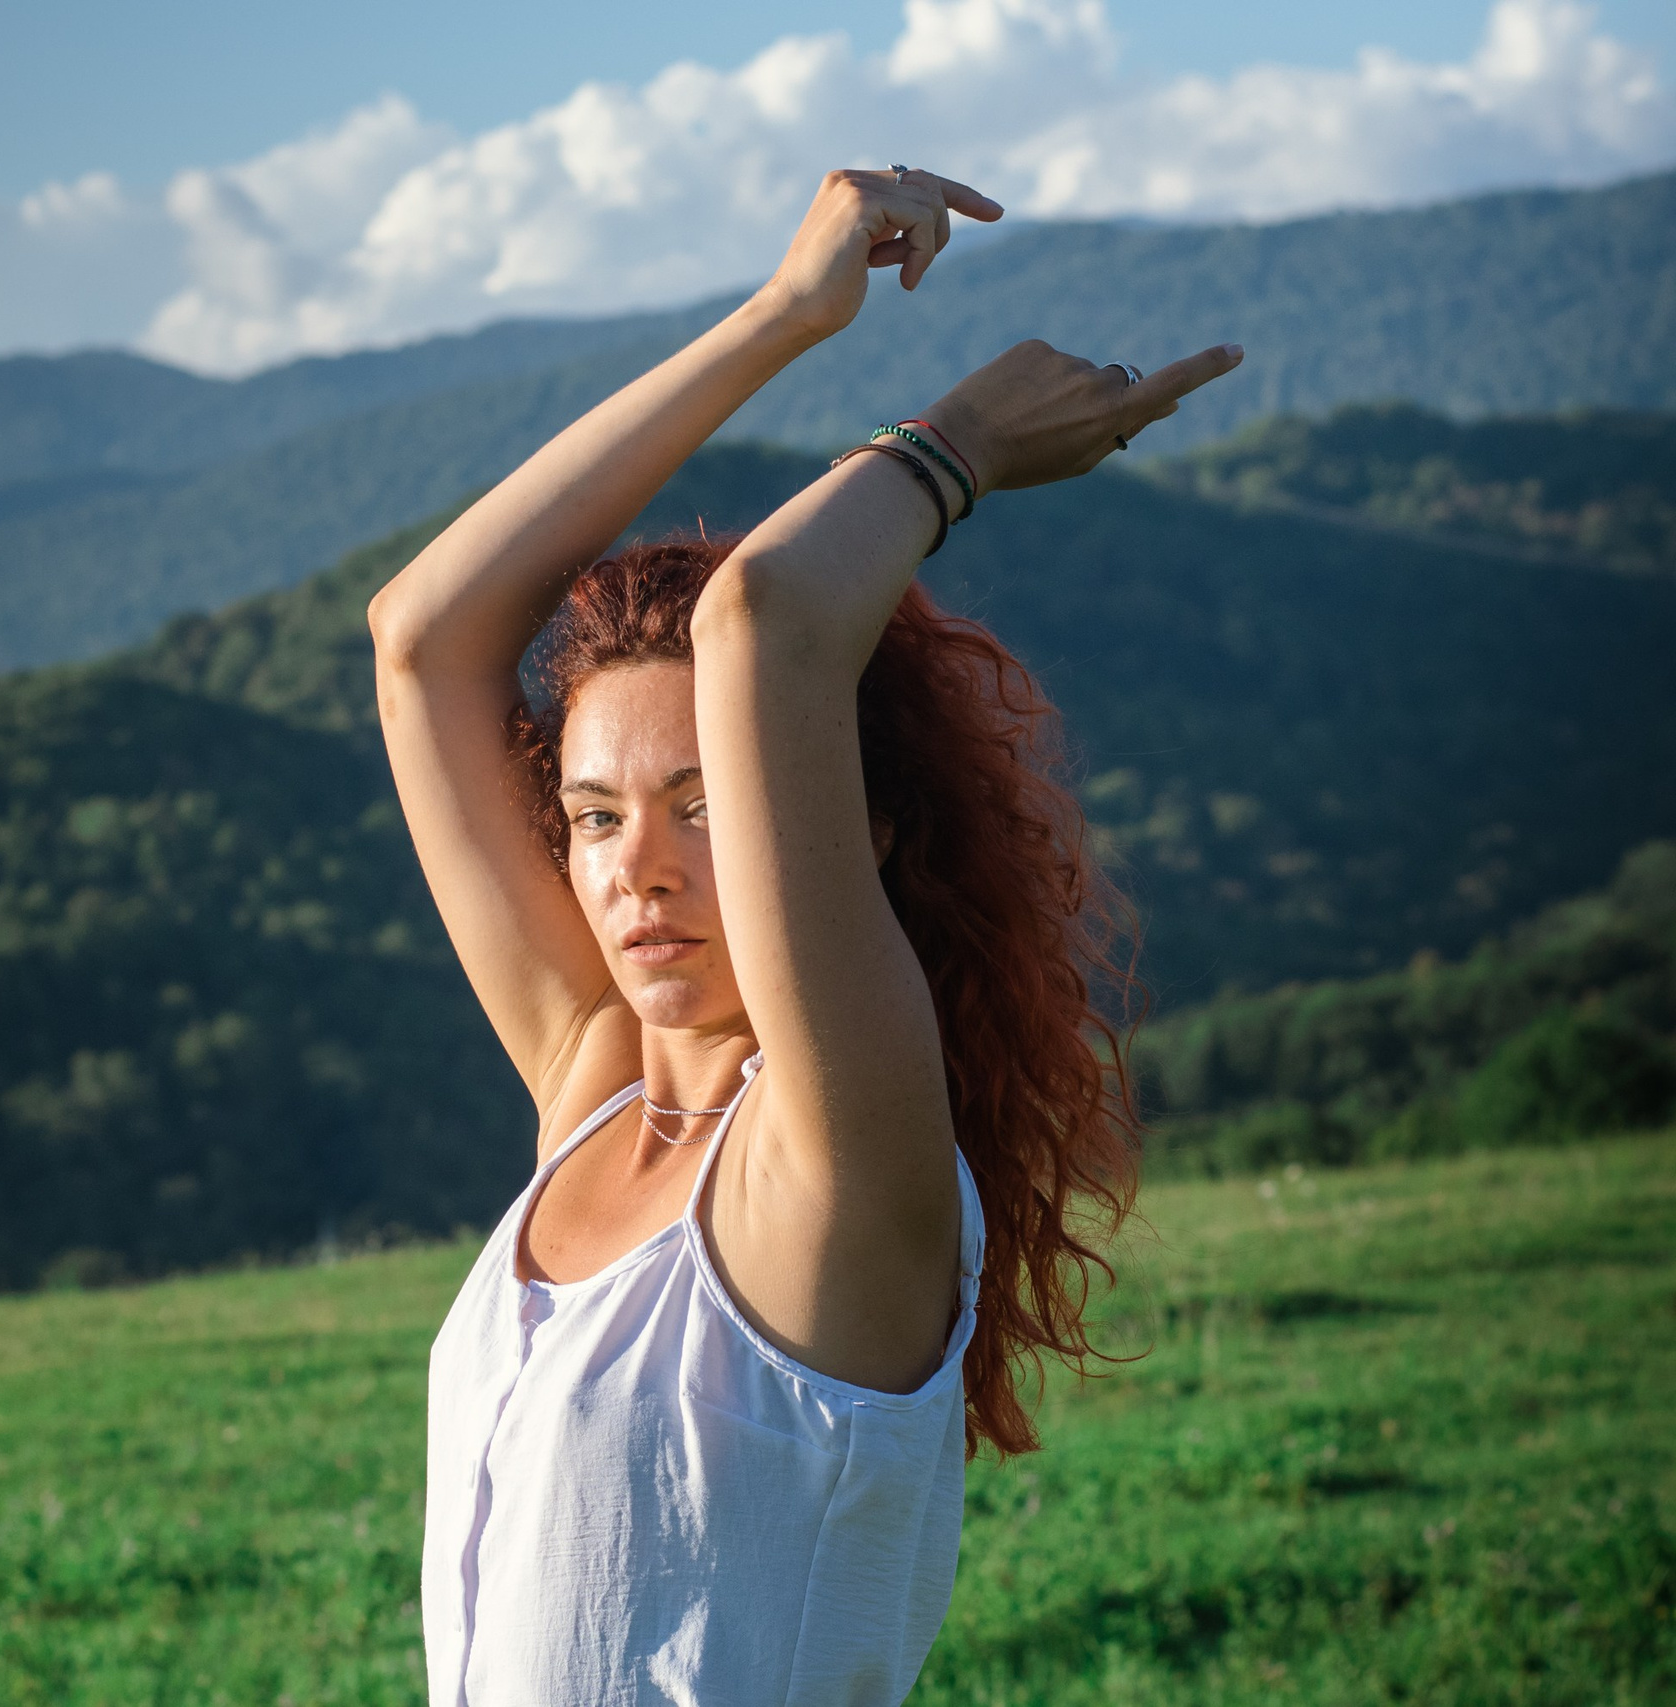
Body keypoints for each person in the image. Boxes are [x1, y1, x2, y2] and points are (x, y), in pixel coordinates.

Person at [367, 165, 1244, 1705]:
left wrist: (954, 447)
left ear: (848, 827)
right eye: (590, 814)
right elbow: (426, 640)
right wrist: (782, 316)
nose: (635, 868)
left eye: (700, 805)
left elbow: (765, 621)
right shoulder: (598, 1089)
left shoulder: (837, 1152)